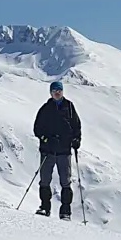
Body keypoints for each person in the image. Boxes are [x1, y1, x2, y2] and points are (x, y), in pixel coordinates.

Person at [33, 80, 81, 219]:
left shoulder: (69, 107)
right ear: (51, 92)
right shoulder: (45, 109)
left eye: (59, 90)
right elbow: (37, 129)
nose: (57, 93)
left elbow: (76, 126)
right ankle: (45, 207)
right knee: (45, 180)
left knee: (65, 181)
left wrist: (76, 140)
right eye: (54, 91)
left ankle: (65, 211)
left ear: (62, 91)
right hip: (48, 150)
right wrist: (46, 139)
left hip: (64, 151)